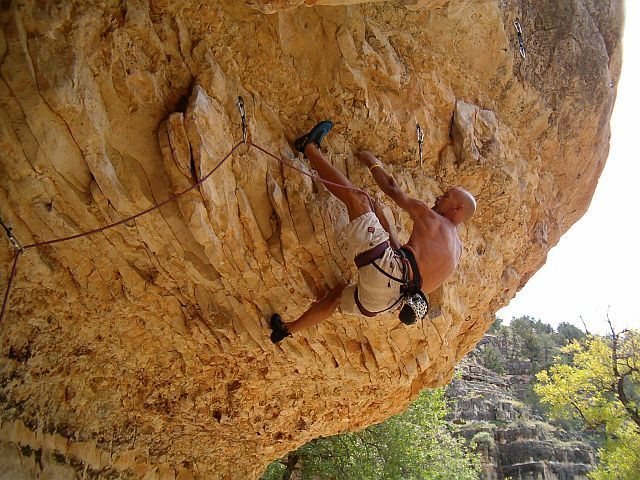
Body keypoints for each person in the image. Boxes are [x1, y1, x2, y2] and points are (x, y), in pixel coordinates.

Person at [269, 121, 476, 343]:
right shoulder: (456, 251)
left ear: (458, 209)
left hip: (386, 272)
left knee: (358, 199)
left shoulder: (434, 219)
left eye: (445, 196)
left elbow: (392, 189)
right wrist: (383, 222)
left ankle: (309, 147)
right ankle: (285, 330)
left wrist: (373, 163)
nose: (438, 198)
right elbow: (409, 261)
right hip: (386, 302)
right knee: (337, 297)